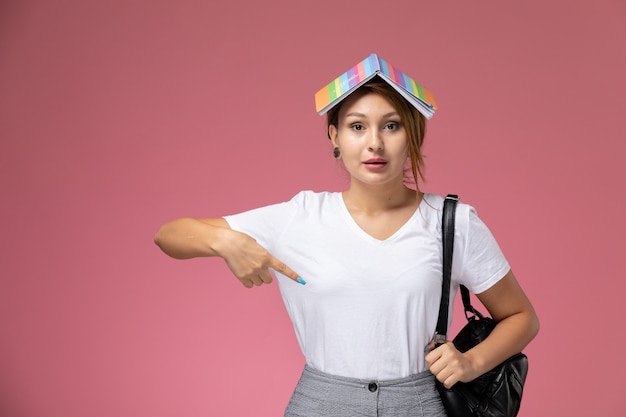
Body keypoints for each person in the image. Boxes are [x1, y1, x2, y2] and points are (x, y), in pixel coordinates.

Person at [154, 55, 539, 417]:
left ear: (413, 135)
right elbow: (169, 235)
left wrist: (471, 362)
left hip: (419, 403)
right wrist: (225, 242)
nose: (375, 142)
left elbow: (522, 317)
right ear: (335, 137)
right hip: (320, 403)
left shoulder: (452, 222)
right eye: (357, 126)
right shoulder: (301, 217)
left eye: (392, 125)